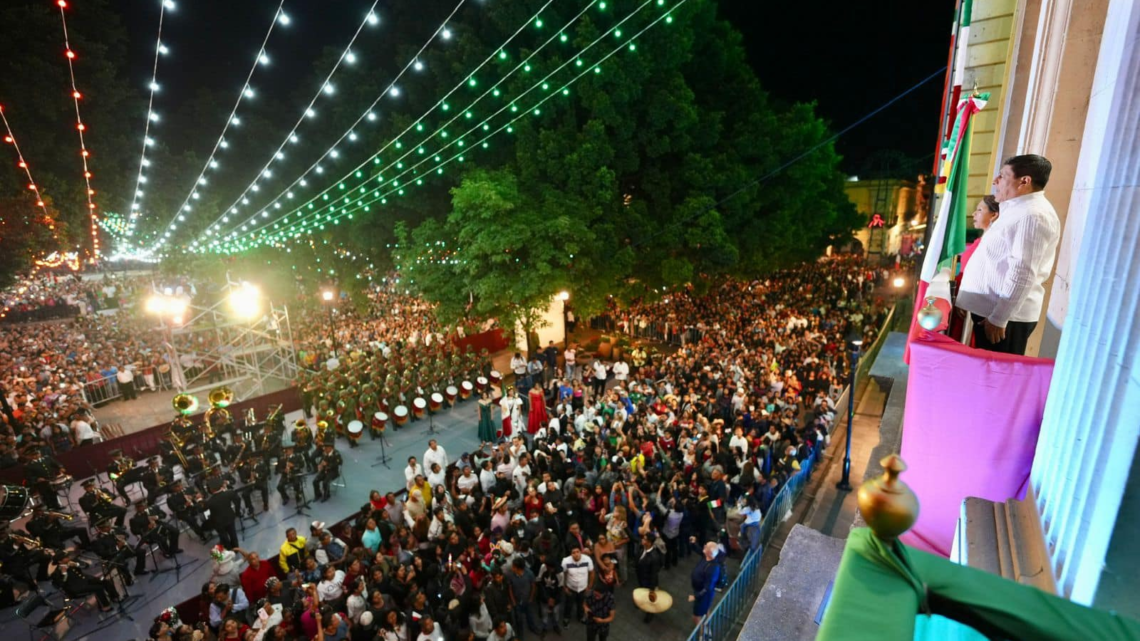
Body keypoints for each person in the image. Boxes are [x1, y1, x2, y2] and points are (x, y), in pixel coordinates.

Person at [957, 154, 1061, 355]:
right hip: (993, 314)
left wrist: (999, 318)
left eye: (1003, 176)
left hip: (1004, 321)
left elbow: (1023, 271)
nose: (996, 181)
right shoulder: (1018, 210)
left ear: (1024, 181)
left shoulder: (1032, 215)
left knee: (995, 378)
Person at [560, 545, 594, 627]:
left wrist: (589, 586)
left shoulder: (587, 559)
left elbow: (592, 573)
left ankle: (581, 617)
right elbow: (562, 574)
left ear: (581, 552)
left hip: (583, 588)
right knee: (568, 604)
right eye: (573, 553)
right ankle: (566, 618)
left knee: (581, 604)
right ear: (570, 554)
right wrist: (564, 587)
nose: (576, 554)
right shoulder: (565, 561)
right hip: (571, 588)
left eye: (578, 552)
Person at [688, 541, 721, 624]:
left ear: (710, 553)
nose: (704, 546)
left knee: (696, 617)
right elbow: (699, 550)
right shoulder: (706, 556)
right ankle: (708, 624)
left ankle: (701, 634)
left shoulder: (713, 568)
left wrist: (696, 596)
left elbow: (708, 587)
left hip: (703, 595)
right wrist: (694, 543)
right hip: (700, 591)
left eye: (706, 546)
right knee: (706, 609)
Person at [206, 483, 240, 548]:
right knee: (233, 534)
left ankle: (229, 549)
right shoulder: (229, 493)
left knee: (224, 536)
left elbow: (202, 509)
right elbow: (238, 499)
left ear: (211, 490)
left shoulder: (209, 502)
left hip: (218, 522)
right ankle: (236, 548)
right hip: (230, 517)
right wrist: (237, 511)